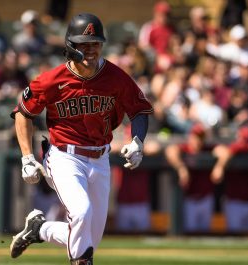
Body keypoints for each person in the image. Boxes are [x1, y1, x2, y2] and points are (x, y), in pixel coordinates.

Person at [8, 13, 153, 264]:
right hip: (65, 156)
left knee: (90, 237)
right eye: (83, 44)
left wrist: (138, 141)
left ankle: (39, 229)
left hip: (100, 158)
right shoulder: (51, 80)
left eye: (95, 44)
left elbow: (139, 110)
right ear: (70, 47)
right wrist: (27, 157)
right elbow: (23, 113)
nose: (90, 50)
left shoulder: (116, 77)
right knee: (81, 213)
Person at [164, 123, 216, 233]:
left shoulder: (207, 149)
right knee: (189, 234)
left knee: (206, 235)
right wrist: (181, 167)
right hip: (189, 200)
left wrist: (219, 166)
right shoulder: (185, 148)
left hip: (205, 198)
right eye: (195, 137)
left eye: (200, 137)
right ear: (190, 137)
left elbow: (224, 151)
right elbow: (170, 150)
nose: (198, 140)